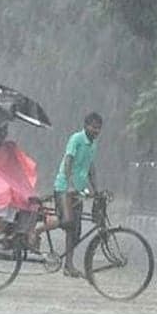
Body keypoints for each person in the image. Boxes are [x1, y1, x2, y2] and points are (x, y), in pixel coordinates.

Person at [53, 112, 102, 277]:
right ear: (86, 125)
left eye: (99, 128)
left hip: (79, 192)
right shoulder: (76, 139)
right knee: (67, 223)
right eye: (94, 127)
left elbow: (91, 168)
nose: (96, 131)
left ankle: (68, 265)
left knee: (75, 231)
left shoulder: (94, 144)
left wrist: (96, 190)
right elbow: (68, 161)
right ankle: (37, 231)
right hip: (64, 188)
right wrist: (70, 185)